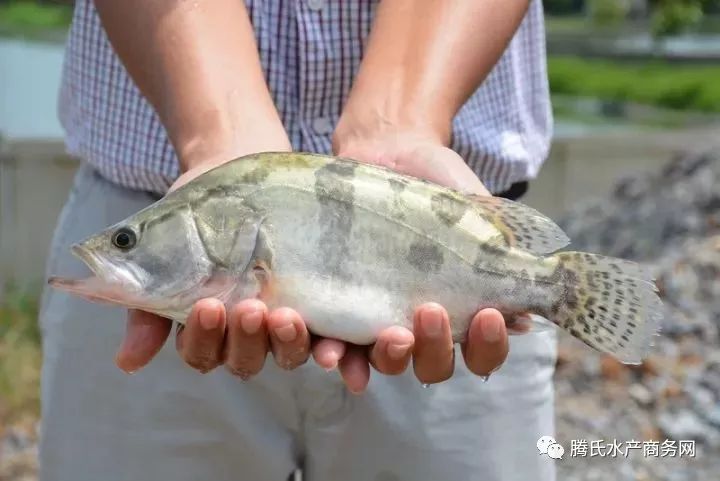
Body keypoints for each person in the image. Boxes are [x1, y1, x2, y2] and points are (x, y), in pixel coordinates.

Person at [39, 1, 557, 480]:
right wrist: (219, 134)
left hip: (456, 209)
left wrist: (400, 122)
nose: (118, 250)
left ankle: (560, 289)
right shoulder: (209, 214)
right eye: (127, 242)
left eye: (127, 243)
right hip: (143, 181)